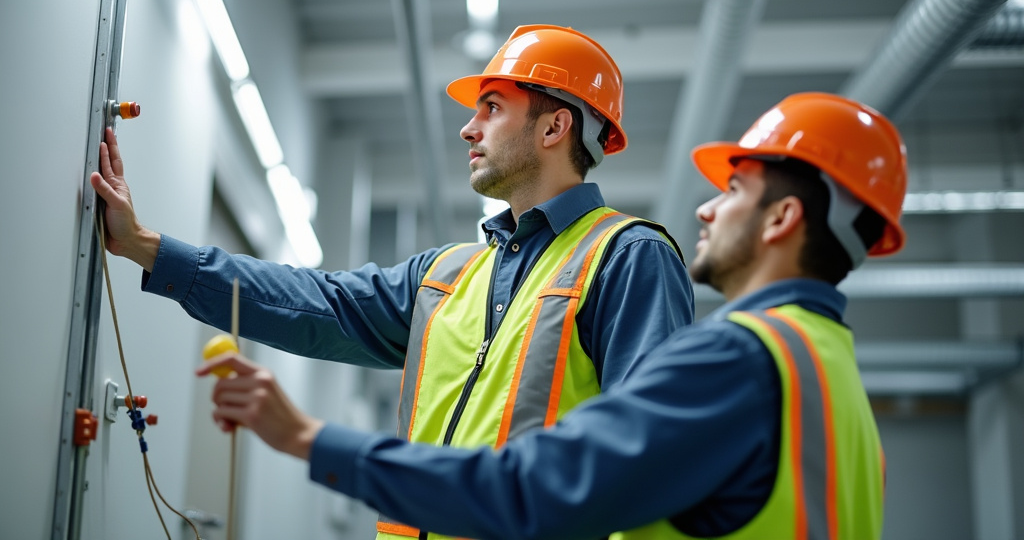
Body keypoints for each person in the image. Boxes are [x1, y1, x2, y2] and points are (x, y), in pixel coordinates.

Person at [196, 91, 907, 540]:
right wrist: (152, 253)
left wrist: (312, 441)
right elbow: (323, 301)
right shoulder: (827, 370)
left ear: (782, 217)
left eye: (736, 189)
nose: (706, 206)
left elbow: (545, 487)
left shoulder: (729, 351)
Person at [91, 25, 695, 539]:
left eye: (492, 107)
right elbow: (315, 302)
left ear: (553, 126)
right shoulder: (448, 275)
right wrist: (144, 247)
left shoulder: (625, 256)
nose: (468, 128)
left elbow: (649, 460)